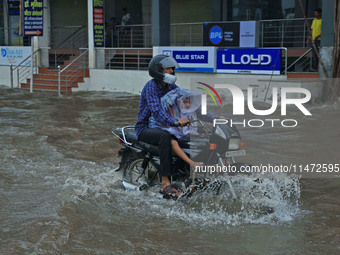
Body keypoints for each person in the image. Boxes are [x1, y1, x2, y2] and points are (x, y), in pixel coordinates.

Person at [135, 55, 189, 199]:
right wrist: (175, 122)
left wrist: (207, 115)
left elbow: (184, 99)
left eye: (172, 68)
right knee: (165, 137)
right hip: (146, 128)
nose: (171, 71)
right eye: (168, 68)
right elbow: (157, 112)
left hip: (163, 126)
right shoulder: (151, 87)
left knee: (190, 137)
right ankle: (165, 183)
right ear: (158, 70)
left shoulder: (171, 86)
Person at [149, 88, 204, 169]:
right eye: (185, 102)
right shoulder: (169, 107)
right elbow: (164, 119)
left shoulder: (190, 110)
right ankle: (191, 163)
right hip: (163, 129)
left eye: (190, 102)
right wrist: (176, 122)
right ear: (178, 100)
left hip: (178, 131)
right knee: (173, 143)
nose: (188, 105)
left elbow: (203, 116)